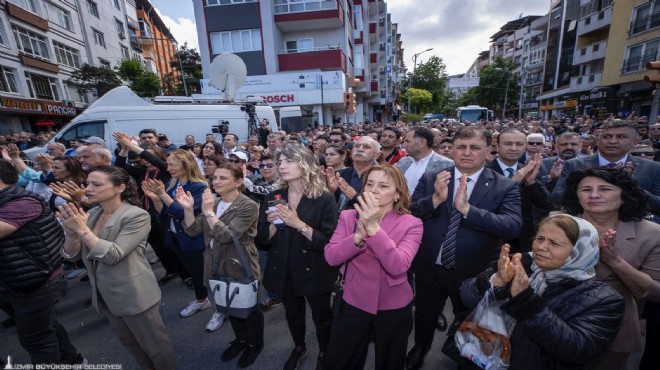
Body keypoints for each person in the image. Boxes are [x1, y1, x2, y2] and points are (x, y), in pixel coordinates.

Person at [407, 127, 522, 370]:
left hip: (473, 274)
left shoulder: (505, 186)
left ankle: (467, 356)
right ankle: (421, 346)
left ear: (487, 151)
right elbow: (410, 212)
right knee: (425, 315)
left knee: (469, 319)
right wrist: (435, 200)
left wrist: (469, 210)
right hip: (430, 267)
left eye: (474, 147)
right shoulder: (433, 178)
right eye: (461, 147)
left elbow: (512, 226)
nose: (467, 153)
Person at [459, 214, 625, 369]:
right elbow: (466, 297)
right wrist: (497, 282)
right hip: (478, 359)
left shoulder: (605, 300)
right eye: (540, 238)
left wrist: (525, 299)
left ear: (579, 252)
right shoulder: (520, 262)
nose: (541, 247)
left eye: (554, 243)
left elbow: (575, 350)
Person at [57, 166, 175, 370]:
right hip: (105, 295)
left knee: (156, 348)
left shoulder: (136, 215)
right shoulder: (92, 213)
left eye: (97, 184)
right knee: (132, 345)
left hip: (134, 295)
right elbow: (72, 255)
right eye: (87, 184)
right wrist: (71, 234)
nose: (88, 188)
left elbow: (114, 255)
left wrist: (82, 230)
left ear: (119, 187)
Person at [324, 165, 422, 370]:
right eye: (369, 183)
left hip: (393, 307)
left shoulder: (412, 224)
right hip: (353, 302)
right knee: (342, 361)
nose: (374, 189)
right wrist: (358, 236)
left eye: (383, 185)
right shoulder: (348, 217)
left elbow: (398, 266)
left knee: (390, 362)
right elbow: (331, 257)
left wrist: (374, 229)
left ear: (397, 195)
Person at [563, 167, 660, 370]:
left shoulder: (652, 234)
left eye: (605, 189)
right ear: (577, 196)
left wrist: (615, 261)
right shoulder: (560, 224)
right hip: (559, 319)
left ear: (624, 196)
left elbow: (653, 292)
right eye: (586, 189)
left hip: (614, 325)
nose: (594, 195)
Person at [257, 145, 338, 370]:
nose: (281, 166)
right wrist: (274, 222)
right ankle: (299, 347)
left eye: (289, 161)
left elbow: (329, 241)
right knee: (293, 314)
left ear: (305, 164)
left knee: (322, 316)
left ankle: (325, 350)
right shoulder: (273, 196)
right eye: (280, 162)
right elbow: (263, 238)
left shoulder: (323, 198)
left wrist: (299, 225)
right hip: (284, 269)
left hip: (314, 269)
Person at [0, 160, 85, 366]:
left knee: (37, 340)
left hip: (34, 281)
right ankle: (73, 361)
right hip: (13, 281)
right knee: (46, 328)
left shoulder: (20, 201)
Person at [179, 163, 263, 366]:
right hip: (215, 262)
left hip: (239, 261)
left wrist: (208, 212)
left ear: (239, 182)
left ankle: (255, 344)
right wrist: (189, 209)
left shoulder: (247, 205)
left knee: (248, 305)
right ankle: (241, 339)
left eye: (223, 178)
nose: (216, 181)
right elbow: (192, 230)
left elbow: (227, 236)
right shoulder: (214, 202)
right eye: (215, 177)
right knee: (227, 303)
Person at [142, 150, 211, 323]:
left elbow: (183, 213)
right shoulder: (173, 184)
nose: (169, 167)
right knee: (193, 272)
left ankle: (218, 305)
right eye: (169, 163)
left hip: (192, 239)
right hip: (175, 237)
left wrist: (163, 195)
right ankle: (202, 300)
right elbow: (164, 213)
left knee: (202, 273)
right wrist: (156, 199)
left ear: (186, 165)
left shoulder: (199, 187)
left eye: (173, 164)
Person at [551, 121, 660, 215]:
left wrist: (627, 184)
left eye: (621, 137)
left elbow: (657, 205)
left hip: (634, 228)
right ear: (598, 141)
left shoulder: (653, 168)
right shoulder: (575, 164)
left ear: (635, 141)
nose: (612, 141)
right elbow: (557, 198)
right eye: (607, 136)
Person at [397, 127, 453, 196]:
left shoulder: (446, 165)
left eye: (408, 141)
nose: (403, 145)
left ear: (422, 143)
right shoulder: (403, 162)